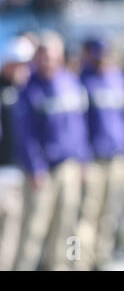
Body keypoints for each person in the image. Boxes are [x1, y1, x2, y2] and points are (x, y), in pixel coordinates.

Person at [13, 30, 91, 271]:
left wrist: (84, 160)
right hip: (42, 169)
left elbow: (79, 126)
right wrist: (35, 167)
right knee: (34, 228)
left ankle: (58, 266)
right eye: (43, 55)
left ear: (60, 56)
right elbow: (26, 135)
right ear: (37, 58)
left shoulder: (71, 82)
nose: (48, 60)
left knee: (66, 224)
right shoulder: (29, 89)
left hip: (69, 165)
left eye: (52, 55)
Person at [75, 37, 124, 270]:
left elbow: (123, 118)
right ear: (88, 54)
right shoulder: (82, 80)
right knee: (88, 214)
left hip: (118, 155)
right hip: (94, 159)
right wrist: (82, 158)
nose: (103, 59)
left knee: (110, 213)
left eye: (105, 54)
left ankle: (102, 257)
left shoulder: (117, 78)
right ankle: (81, 261)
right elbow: (78, 125)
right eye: (98, 55)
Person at [0, 35, 35, 270]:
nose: (25, 70)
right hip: (4, 171)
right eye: (20, 64)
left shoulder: (24, 91)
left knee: (14, 230)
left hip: (18, 171)